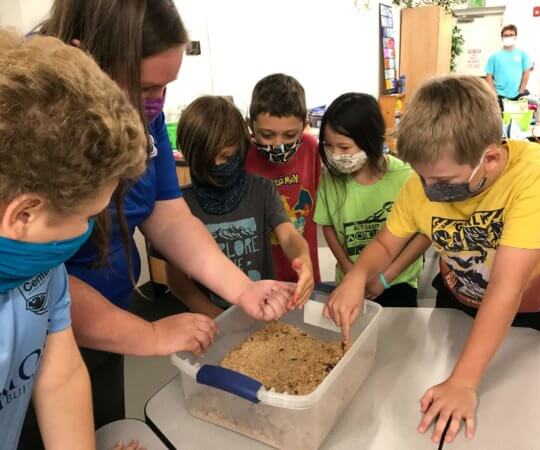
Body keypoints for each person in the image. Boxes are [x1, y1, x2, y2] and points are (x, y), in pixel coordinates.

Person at [20, 1, 296, 446]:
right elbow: (45, 282)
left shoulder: (138, 113)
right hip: (33, 349)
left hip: (97, 332)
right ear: (85, 58)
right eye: (148, 87)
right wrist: (145, 333)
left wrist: (241, 289)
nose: (157, 105)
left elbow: (166, 213)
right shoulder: (31, 118)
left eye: (167, 87)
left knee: (102, 424)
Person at [324, 76, 540, 444]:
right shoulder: (421, 183)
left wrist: (464, 382)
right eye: (421, 176)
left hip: (526, 312)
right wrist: (356, 276)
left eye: (440, 179)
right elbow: (386, 244)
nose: (427, 188)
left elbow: (506, 288)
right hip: (455, 302)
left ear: (488, 157)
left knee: (516, 420)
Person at [0, 31, 148, 450]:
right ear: (24, 214)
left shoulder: (43, 271)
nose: (90, 229)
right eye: (87, 217)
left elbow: (59, 376)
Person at [166, 96, 314, 317]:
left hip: (264, 310)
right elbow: (175, 279)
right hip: (210, 318)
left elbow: (289, 236)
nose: (217, 165)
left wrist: (303, 257)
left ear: (241, 148)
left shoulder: (262, 190)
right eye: (207, 159)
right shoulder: (179, 205)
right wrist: (213, 314)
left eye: (226, 156)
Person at [313, 93, 427, 306]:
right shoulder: (331, 179)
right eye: (328, 145)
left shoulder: (406, 177)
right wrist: (351, 271)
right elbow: (327, 227)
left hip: (398, 281)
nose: (335, 154)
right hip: (349, 279)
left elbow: (423, 234)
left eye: (344, 147)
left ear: (371, 139)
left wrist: (385, 278)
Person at [246, 73, 322, 284]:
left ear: (305, 124)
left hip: (302, 269)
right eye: (267, 135)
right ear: (250, 125)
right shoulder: (243, 156)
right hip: (260, 276)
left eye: (290, 136)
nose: (278, 145)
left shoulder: (310, 148)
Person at [485, 24, 533, 112]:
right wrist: (494, 93)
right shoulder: (494, 56)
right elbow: (489, 76)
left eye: (511, 35)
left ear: (515, 36)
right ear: (502, 37)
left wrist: (521, 91)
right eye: (506, 35)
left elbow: (526, 73)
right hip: (499, 96)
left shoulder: (522, 54)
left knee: (517, 122)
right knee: (500, 122)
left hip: (517, 95)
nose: (508, 37)